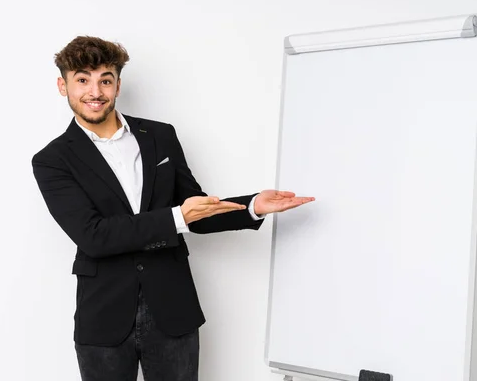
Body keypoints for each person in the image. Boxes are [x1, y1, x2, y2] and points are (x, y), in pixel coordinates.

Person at [31, 36, 314, 381]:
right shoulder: (52, 160)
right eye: (82, 80)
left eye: (105, 79)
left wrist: (251, 205)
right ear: (63, 86)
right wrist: (178, 216)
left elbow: (195, 210)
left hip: (172, 305)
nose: (95, 91)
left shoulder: (160, 135)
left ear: (118, 85)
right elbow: (95, 236)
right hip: (104, 313)